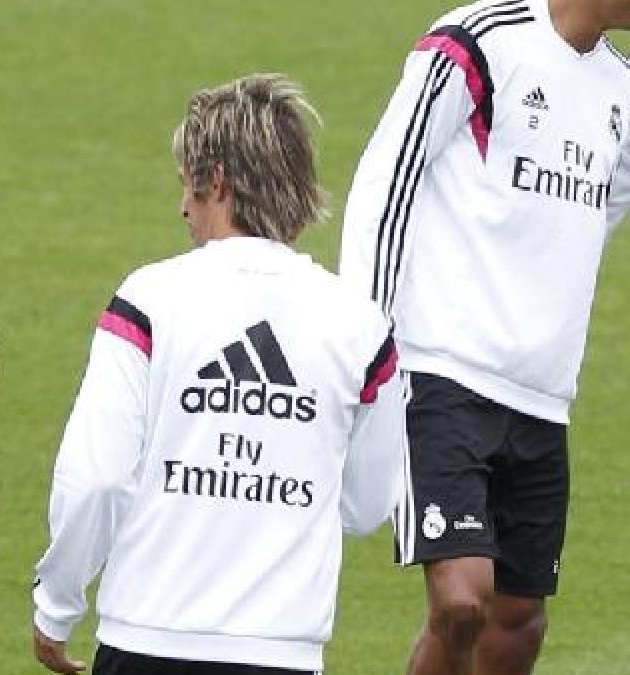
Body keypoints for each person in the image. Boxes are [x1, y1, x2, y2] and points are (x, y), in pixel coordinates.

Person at [31, 74, 406, 675]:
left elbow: (97, 479)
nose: (183, 206)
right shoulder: (361, 327)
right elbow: (366, 506)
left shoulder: (149, 299)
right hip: (282, 652)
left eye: (188, 185)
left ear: (219, 183)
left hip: (146, 641)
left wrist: (56, 607)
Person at [338, 0, 630, 672]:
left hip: (541, 397)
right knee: (462, 600)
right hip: (442, 372)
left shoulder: (620, 90)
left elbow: (600, 210)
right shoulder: (477, 43)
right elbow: (387, 182)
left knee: (519, 622)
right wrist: (367, 342)